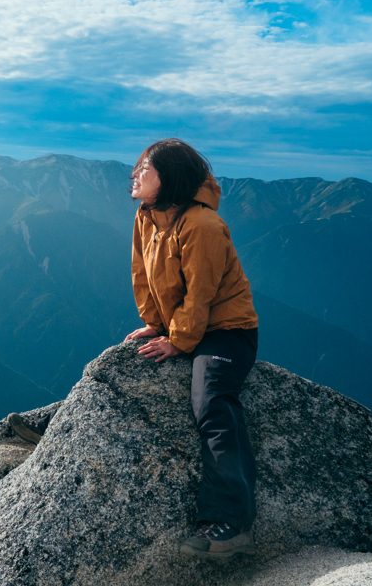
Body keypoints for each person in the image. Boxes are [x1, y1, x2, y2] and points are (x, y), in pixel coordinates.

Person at [125, 138, 259, 560]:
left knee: (212, 401)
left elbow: (201, 295)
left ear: (169, 178)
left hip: (227, 331)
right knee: (129, 362)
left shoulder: (203, 226)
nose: (135, 174)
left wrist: (178, 341)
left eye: (145, 168)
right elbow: (141, 273)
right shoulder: (147, 216)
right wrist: (155, 324)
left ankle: (232, 524)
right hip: (183, 323)